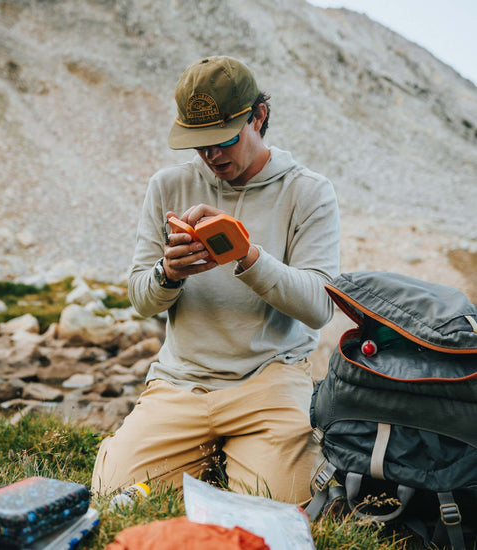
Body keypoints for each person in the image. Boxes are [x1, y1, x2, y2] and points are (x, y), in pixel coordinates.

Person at [92, 55, 341, 504]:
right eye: (198, 143)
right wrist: (168, 274)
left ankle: (232, 459)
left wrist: (246, 255)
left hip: (270, 381)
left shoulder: (308, 191)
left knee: (291, 506)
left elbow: (320, 308)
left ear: (258, 117)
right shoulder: (167, 186)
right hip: (181, 381)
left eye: (223, 139)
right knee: (113, 492)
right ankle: (226, 461)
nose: (212, 155)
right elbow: (141, 300)